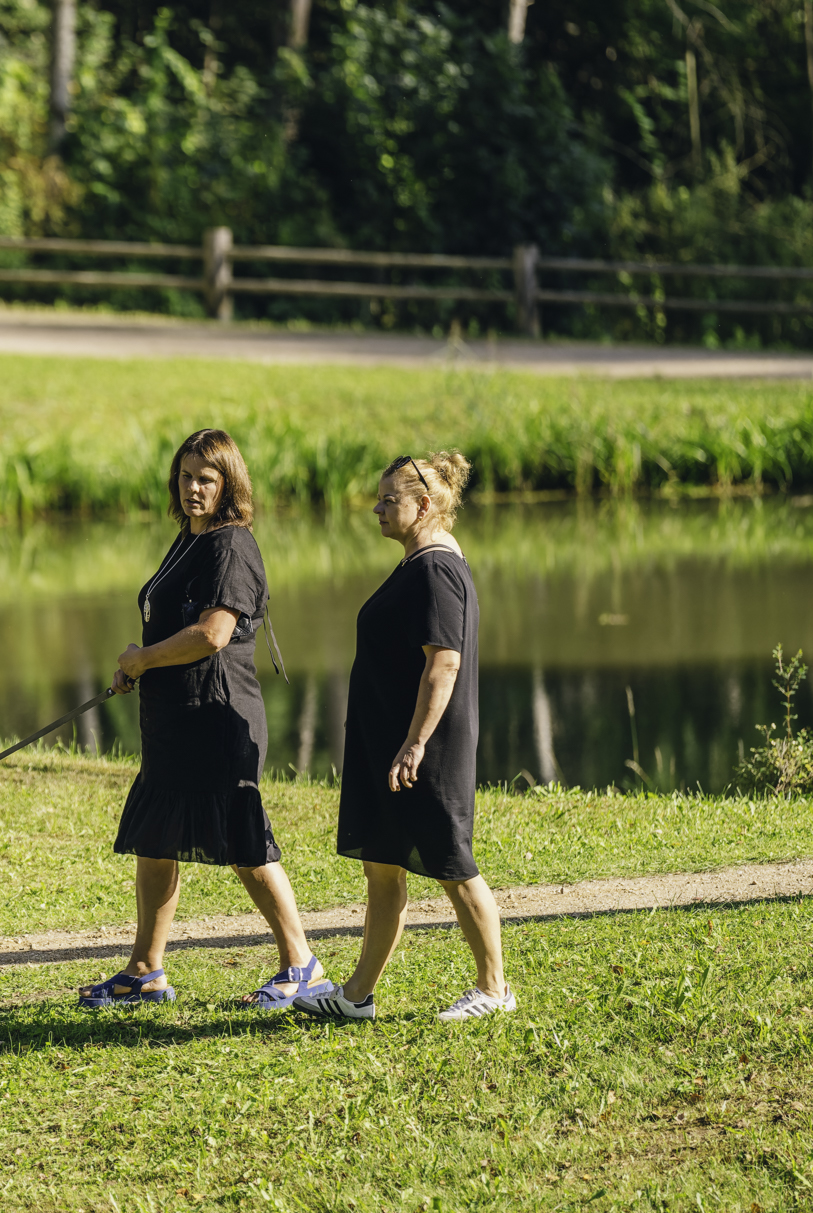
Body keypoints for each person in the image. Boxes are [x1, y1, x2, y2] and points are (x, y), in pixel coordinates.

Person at [79, 428, 331, 1010]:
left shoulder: (231, 545)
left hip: (216, 719)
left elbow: (214, 633)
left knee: (245, 842)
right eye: (187, 476)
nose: (194, 488)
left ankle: (301, 964)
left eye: (206, 479)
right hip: (173, 721)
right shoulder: (188, 538)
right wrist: (141, 668)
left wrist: (143, 657)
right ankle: (145, 970)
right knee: (156, 836)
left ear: (228, 484)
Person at [295, 451, 514, 1024]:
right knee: (384, 864)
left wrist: (416, 743)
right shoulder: (419, 563)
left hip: (425, 747)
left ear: (425, 506)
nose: (377, 507)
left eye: (389, 499)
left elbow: (444, 663)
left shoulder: (437, 569)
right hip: (391, 745)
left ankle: (494, 989)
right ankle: (357, 995)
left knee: (451, 862)